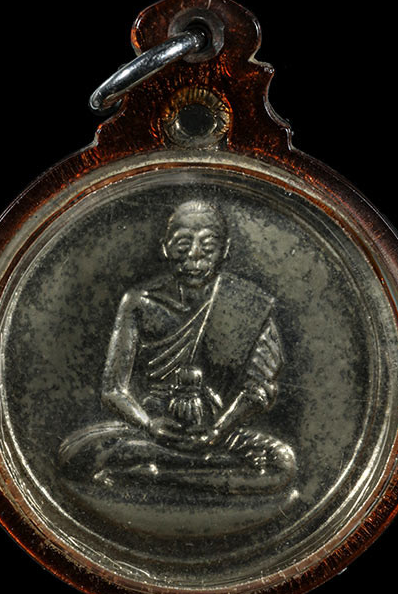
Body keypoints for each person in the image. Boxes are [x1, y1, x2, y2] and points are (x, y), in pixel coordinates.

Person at [59, 200, 296, 492]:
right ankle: (199, 476)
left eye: (207, 246)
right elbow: (113, 390)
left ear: (224, 250)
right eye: (183, 245)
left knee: (282, 462)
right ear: (165, 248)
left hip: (219, 432)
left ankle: (153, 476)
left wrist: (217, 430)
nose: (194, 255)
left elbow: (259, 390)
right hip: (152, 431)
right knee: (76, 454)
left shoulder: (249, 304)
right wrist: (150, 425)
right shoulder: (140, 302)